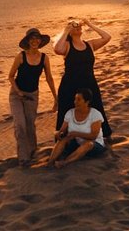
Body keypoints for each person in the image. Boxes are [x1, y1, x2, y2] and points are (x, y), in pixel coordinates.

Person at [54, 17, 112, 139]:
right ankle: (64, 139)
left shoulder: (89, 44)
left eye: (78, 26)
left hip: (89, 83)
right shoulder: (67, 45)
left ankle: (103, 135)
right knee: (67, 110)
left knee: (96, 107)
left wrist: (90, 24)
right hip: (70, 85)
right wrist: (65, 30)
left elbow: (107, 37)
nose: (77, 27)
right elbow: (57, 49)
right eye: (73, 26)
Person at [7, 27, 57, 165]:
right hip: (16, 95)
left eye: (37, 38)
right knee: (20, 125)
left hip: (32, 95)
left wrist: (55, 97)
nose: (34, 41)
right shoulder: (21, 56)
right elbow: (10, 76)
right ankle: (24, 158)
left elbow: (49, 78)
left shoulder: (44, 58)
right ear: (28, 41)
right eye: (32, 39)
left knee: (30, 125)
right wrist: (17, 92)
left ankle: (33, 151)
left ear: (40, 41)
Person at [43, 88, 107, 168]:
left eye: (79, 99)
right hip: (77, 144)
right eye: (75, 99)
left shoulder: (95, 114)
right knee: (63, 139)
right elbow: (62, 130)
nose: (75, 102)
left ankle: (65, 162)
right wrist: (59, 134)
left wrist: (75, 133)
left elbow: (93, 136)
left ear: (87, 102)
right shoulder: (70, 113)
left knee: (88, 144)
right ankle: (50, 162)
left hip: (94, 146)